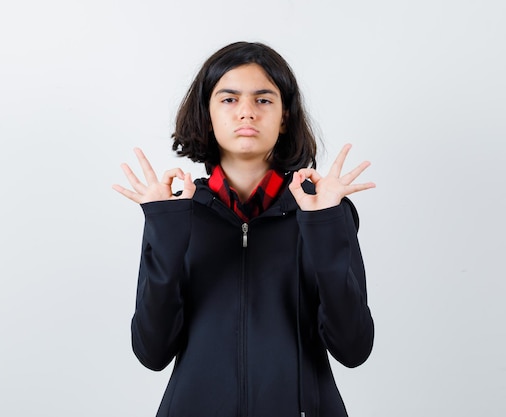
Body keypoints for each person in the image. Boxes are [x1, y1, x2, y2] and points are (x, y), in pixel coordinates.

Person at [113, 41, 375, 417]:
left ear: (285, 116)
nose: (247, 113)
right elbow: (152, 352)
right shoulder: (176, 213)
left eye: (264, 100)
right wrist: (166, 233)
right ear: (207, 114)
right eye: (229, 99)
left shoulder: (322, 210)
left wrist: (322, 226)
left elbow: (354, 348)